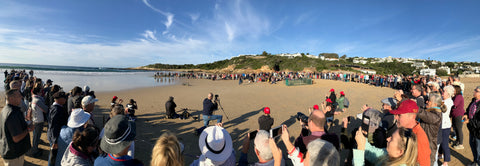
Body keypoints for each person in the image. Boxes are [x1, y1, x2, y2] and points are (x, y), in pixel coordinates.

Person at [390, 99, 431, 166]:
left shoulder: (419, 138)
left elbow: (424, 164)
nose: (396, 118)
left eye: (399, 115)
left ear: (412, 117)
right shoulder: (404, 131)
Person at [353, 127, 418, 166]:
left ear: (400, 152)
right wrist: (362, 139)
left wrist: (360, 148)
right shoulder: (389, 155)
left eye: (392, 139)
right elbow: (372, 153)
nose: (387, 139)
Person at [0, 89, 32, 165]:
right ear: (11, 98)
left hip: (7, 149)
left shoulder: (5, 109)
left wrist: (28, 120)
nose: (21, 97)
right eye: (19, 96)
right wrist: (28, 129)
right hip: (13, 154)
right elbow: (16, 138)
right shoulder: (12, 114)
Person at [416, 92, 443, 165]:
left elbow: (422, 113)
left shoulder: (436, 116)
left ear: (434, 104)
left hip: (428, 147)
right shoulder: (429, 110)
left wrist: (411, 105)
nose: (426, 101)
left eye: (429, 101)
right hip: (422, 145)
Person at [47, 92, 69, 166]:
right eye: (64, 98)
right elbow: (54, 126)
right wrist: (55, 141)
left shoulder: (54, 107)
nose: (65, 99)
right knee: (54, 155)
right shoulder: (57, 110)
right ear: (59, 99)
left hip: (52, 134)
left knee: (53, 154)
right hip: (55, 135)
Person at [30, 85, 49, 157]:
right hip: (39, 120)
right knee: (36, 136)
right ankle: (35, 150)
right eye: (41, 92)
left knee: (36, 135)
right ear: (38, 93)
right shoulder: (38, 100)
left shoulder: (33, 99)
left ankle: (35, 149)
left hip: (35, 119)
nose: (42, 93)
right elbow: (46, 109)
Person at [465, 86, 480, 166]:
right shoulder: (473, 101)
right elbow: (468, 110)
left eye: (476, 91)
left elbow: (479, 122)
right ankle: (475, 162)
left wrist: (469, 121)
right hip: (472, 129)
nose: (474, 91)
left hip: (478, 132)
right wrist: (466, 115)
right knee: (472, 146)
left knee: (478, 149)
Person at [440, 85, 455, 166]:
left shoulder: (448, 102)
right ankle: (440, 154)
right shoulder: (444, 100)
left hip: (445, 125)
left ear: (448, 93)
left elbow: (443, 111)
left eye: (444, 91)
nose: (442, 93)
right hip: (442, 124)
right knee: (441, 142)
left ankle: (446, 162)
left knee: (445, 143)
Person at [451, 85, 465, 149]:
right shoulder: (456, 96)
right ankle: (457, 141)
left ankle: (461, 144)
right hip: (455, 115)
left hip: (459, 115)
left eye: (453, 90)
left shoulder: (459, 96)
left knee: (459, 129)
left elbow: (454, 104)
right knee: (456, 129)